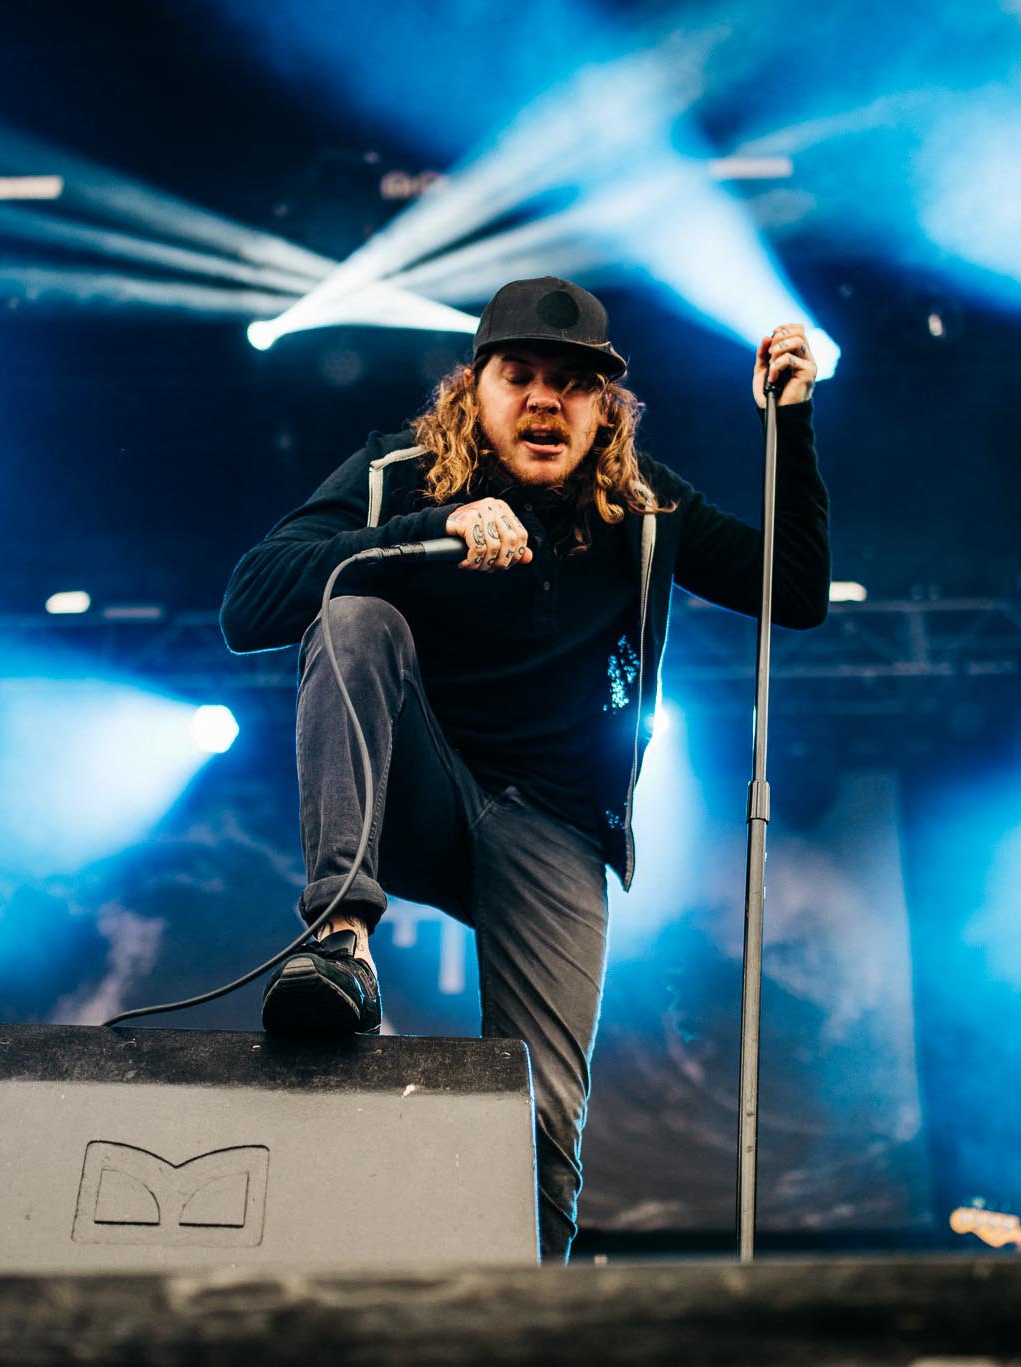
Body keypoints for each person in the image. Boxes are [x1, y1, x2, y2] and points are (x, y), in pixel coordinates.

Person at [219, 276, 829, 1262]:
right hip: (419, 790)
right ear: (475, 389)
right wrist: (426, 535)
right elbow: (249, 605)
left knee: (540, 1113)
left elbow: (792, 592)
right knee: (350, 612)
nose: (545, 400)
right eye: (521, 377)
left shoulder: (643, 504)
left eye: (574, 382)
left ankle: (525, 1315)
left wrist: (789, 423)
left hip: (550, 822)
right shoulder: (398, 474)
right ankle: (339, 940)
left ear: (605, 409)